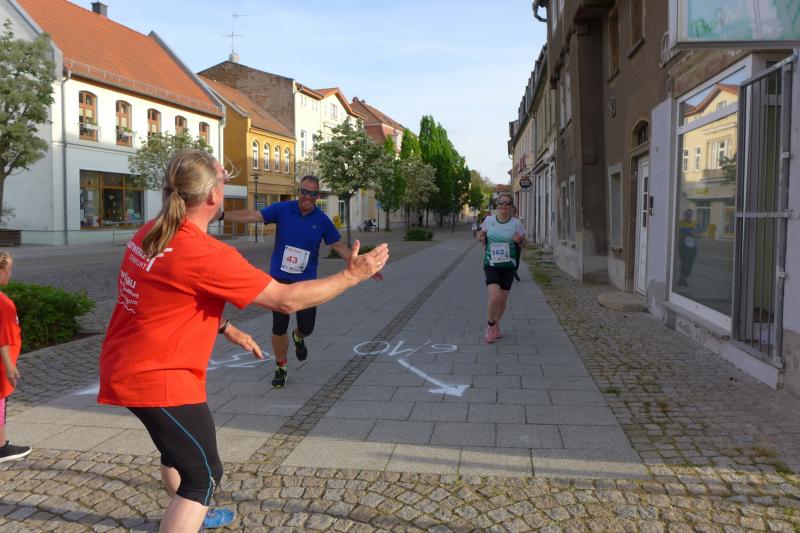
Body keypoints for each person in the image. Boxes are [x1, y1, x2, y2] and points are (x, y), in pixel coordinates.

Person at [97, 151, 388, 532]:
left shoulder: (153, 230)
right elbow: (285, 300)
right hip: (160, 378)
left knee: (177, 452)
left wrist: (224, 327)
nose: (225, 185)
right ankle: (190, 509)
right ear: (213, 195)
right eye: (223, 179)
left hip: (126, 364)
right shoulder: (206, 253)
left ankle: (191, 512)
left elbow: (169, 294)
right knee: (203, 474)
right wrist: (351, 276)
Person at [221, 175, 383, 389]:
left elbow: (338, 246)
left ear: (317, 196)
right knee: (279, 327)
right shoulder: (282, 209)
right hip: (279, 280)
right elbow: (252, 215)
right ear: (299, 192)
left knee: (307, 327)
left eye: (312, 193)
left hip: (306, 283)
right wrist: (222, 215)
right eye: (304, 192)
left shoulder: (322, 220)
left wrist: (361, 266)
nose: (307, 197)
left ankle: (298, 337)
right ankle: (281, 367)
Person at [476, 193, 525, 344]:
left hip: (509, 266)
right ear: (497, 205)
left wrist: (519, 240)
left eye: (507, 203)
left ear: (511, 207)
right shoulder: (489, 220)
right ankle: (490, 326)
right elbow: (480, 234)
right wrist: (481, 237)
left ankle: (497, 323)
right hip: (491, 264)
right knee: (495, 297)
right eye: (501, 202)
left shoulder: (517, 223)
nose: (504, 205)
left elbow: (525, 243)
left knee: (503, 300)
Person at [0, 252, 31, 464]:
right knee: (1, 402)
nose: (10, 274)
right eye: (9, 270)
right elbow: (2, 337)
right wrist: (9, 365)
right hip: (2, 365)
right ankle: (1, 447)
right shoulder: (4, 303)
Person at [677, 208, 699, 287]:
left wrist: (691, 233)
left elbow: (699, 234)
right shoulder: (680, 223)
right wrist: (691, 232)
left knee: (690, 263)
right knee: (684, 262)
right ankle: (683, 278)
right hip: (683, 246)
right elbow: (679, 233)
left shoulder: (695, 223)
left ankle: (683, 278)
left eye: (690, 214)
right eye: (687, 214)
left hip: (693, 247)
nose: (689, 216)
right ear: (684, 215)